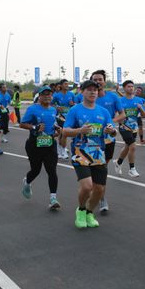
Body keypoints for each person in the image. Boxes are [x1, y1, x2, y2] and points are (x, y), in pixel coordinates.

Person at [62, 80, 115, 229]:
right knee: (87, 187)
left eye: (95, 90)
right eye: (89, 89)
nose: (93, 92)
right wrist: (80, 130)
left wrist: (111, 131)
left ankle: (89, 212)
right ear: (82, 91)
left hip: (98, 154)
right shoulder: (75, 110)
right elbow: (65, 131)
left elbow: (113, 131)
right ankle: (81, 210)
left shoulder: (103, 112)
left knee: (99, 189)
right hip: (80, 153)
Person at [87, 70, 125, 215]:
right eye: (95, 79)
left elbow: (122, 114)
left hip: (109, 139)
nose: (98, 82)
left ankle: (99, 194)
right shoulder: (87, 97)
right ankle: (100, 197)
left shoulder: (113, 97)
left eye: (100, 79)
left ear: (104, 81)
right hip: (91, 140)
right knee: (94, 168)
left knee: (102, 168)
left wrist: (110, 122)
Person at [20, 86, 62, 210]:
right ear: (39, 97)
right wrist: (35, 127)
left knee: (52, 171)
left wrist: (57, 130)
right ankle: (27, 182)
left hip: (50, 144)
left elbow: (53, 123)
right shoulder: (32, 109)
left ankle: (53, 198)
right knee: (36, 170)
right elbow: (22, 124)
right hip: (34, 144)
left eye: (49, 94)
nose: (47, 96)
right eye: (44, 94)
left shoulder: (53, 110)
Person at [114, 80, 145, 178]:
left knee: (127, 147)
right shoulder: (120, 101)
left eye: (132, 86)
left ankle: (118, 162)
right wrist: (120, 120)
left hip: (134, 128)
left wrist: (140, 108)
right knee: (133, 146)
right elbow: (116, 114)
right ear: (124, 88)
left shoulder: (138, 100)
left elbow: (143, 115)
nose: (131, 88)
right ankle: (132, 169)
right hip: (124, 127)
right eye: (129, 86)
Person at [52, 79, 76, 160]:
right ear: (61, 85)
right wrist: (56, 107)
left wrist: (73, 104)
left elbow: (76, 104)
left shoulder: (71, 94)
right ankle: (62, 151)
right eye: (65, 84)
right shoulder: (56, 95)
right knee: (62, 133)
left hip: (69, 116)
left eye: (67, 84)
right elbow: (51, 104)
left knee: (65, 134)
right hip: (60, 116)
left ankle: (61, 150)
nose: (67, 85)